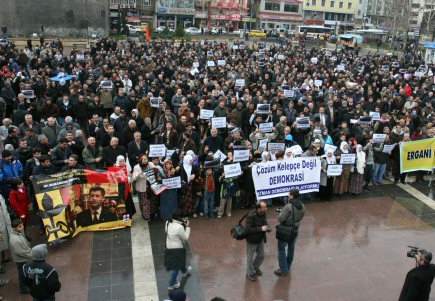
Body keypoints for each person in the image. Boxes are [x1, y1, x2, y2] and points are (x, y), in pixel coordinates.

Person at [274, 189, 305, 276]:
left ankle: (283, 269)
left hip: (285, 230)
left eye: (289, 195)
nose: (288, 196)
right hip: (295, 229)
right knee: (291, 248)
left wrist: (281, 213)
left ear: (291, 196)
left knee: (281, 249)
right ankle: (288, 266)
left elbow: (280, 219)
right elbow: (301, 216)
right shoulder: (302, 205)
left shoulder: (288, 206)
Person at [165, 210, 191, 290]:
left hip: (169, 245)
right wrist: (187, 228)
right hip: (177, 248)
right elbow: (185, 238)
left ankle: (185, 271)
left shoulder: (167, 222)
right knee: (175, 268)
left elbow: (166, 231)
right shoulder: (179, 227)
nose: (185, 219)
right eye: (183, 218)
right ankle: (172, 284)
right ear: (180, 218)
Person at [244, 201, 269, 281]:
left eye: (266, 207)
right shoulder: (251, 215)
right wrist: (261, 229)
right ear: (258, 208)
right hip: (252, 239)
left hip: (260, 238)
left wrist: (267, 227)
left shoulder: (263, 213)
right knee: (250, 257)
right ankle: (250, 273)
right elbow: (247, 229)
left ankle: (254, 268)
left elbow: (265, 222)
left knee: (261, 255)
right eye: (264, 207)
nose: (266, 209)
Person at [9, 219, 32, 294]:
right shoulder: (14, 239)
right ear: (15, 228)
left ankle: (26, 285)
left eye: (22, 225)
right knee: (22, 274)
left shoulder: (18, 233)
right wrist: (31, 254)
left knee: (24, 272)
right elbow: (20, 252)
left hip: (23, 258)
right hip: (21, 260)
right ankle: (23, 289)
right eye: (20, 226)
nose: (22, 228)